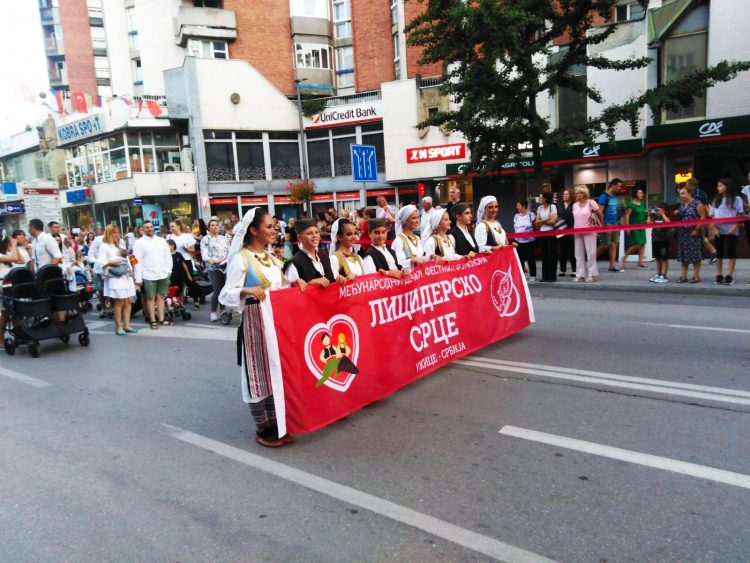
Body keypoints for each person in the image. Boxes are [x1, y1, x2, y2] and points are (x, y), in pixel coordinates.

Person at [218, 208, 304, 448]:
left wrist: (294, 283)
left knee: (276, 370)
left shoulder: (271, 257)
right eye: (268, 227)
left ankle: (278, 422)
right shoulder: (241, 259)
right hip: (255, 322)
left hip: (276, 322)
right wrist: (245, 290)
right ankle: (263, 427)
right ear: (253, 230)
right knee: (257, 374)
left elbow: (281, 285)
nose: (274, 231)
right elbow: (225, 295)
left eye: (274, 227)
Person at [96, 225, 137, 335]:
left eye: (118, 232)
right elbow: (100, 262)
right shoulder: (104, 246)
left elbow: (129, 258)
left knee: (128, 301)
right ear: (109, 234)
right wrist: (112, 263)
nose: (116, 235)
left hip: (126, 276)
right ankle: (119, 327)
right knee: (119, 302)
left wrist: (134, 270)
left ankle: (127, 325)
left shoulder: (121, 245)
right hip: (115, 277)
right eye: (114, 232)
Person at [133, 220, 173, 329]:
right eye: (147, 227)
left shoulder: (161, 241)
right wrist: (138, 277)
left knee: (160, 297)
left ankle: (161, 319)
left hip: (163, 274)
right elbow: (135, 261)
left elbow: (168, 256)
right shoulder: (139, 243)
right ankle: (152, 320)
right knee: (150, 298)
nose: (150, 229)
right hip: (148, 275)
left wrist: (169, 271)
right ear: (142, 229)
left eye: (151, 227)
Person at [709, 178, 743, 285]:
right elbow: (712, 215)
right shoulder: (716, 199)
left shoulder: (736, 199)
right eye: (718, 185)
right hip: (719, 229)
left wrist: (735, 226)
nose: (718, 188)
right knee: (719, 253)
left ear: (727, 186)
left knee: (731, 252)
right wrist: (713, 228)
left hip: (732, 229)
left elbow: (740, 214)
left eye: (720, 185)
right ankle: (719, 274)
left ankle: (729, 275)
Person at [284, 219, 339, 286]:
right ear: (299, 238)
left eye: (317, 232)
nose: (314, 236)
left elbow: (332, 283)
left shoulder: (325, 258)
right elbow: (291, 292)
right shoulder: (295, 263)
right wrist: (310, 284)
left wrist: (339, 280)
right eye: (309, 233)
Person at [675, 185, 708, 283]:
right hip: (682, 234)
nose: (681, 196)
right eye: (680, 194)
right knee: (684, 255)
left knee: (695, 255)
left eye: (683, 193)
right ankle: (683, 276)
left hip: (694, 233)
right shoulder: (682, 204)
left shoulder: (697, 203)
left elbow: (703, 217)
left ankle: (696, 276)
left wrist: (697, 230)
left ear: (690, 193)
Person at [200, 218, 230, 321]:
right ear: (209, 227)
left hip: (225, 265)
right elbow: (204, 254)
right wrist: (210, 260)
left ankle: (222, 310)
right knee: (218, 289)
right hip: (214, 267)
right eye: (212, 225)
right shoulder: (206, 239)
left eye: (216, 225)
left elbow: (229, 250)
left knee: (225, 289)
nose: (215, 227)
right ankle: (213, 311)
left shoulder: (224, 238)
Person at [572, 187, 602, 282]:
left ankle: (591, 274)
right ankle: (580, 274)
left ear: (583, 194)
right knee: (578, 253)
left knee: (591, 252)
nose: (575, 195)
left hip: (590, 230)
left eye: (577, 193)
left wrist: (602, 225)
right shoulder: (575, 205)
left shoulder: (591, 202)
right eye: (575, 193)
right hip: (577, 230)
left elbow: (600, 214)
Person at [685, 177, 717, 263]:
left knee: (699, 236)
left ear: (691, 185)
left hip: (699, 219)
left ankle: (713, 252)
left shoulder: (698, 194)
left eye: (687, 183)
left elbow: (702, 206)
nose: (686, 185)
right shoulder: (696, 192)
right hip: (696, 219)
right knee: (699, 237)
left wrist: (709, 220)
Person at [598, 178, 624, 272]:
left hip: (615, 224)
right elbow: (599, 212)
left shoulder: (615, 197)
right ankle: (591, 261)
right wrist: (603, 224)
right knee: (605, 245)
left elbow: (616, 210)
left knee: (614, 244)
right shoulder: (604, 196)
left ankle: (612, 266)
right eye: (619, 186)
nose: (620, 188)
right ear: (613, 185)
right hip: (607, 224)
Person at [621, 187, 649, 269]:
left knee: (642, 244)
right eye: (639, 193)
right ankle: (624, 258)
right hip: (634, 226)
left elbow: (645, 213)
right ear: (635, 194)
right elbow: (627, 215)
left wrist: (647, 219)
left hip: (642, 226)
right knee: (636, 244)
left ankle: (640, 262)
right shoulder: (630, 204)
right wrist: (628, 227)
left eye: (642, 193)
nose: (641, 194)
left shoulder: (642, 204)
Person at [392, 204, 426, 270]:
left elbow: (421, 257)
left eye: (418, 217)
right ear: (405, 221)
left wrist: (430, 257)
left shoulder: (417, 238)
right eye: (413, 218)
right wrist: (411, 260)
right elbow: (397, 264)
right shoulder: (399, 240)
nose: (417, 221)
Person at [534, 192, 558, 282]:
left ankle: (552, 277)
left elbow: (553, 221)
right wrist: (547, 219)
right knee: (544, 255)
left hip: (551, 233)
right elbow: (536, 223)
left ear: (545, 198)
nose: (539, 199)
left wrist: (542, 221)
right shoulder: (539, 208)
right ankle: (545, 276)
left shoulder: (553, 207)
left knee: (551, 255)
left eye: (541, 197)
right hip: (542, 233)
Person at [648, 202, 672, 283]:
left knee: (664, 258)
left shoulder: (666, 217)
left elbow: (669, 222)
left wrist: (662, 214)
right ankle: (658, 274)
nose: (657, 211)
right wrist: (649, 215)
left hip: (663, 240)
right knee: (657, 258)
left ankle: (664, 275)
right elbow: (648, 224)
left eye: (658, 209)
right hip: (655, 240)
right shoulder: (654, 217)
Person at [512, 200, 536, 281]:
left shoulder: (531, 215)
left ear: (524, 206)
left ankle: (533, 275)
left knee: (530, 258)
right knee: (520, 258)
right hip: (518, 240)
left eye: (518, 205)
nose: (517, 207)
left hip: (529, 240)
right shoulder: (516, 216)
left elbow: (534, 225)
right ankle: (522, 276)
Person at [556, 188, 577, 277]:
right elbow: (557, 217)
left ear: (571, 195)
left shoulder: (575, 205)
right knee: (562, 251)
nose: (564, 196)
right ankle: (562, 270)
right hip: (561, 230)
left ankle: (574, 270)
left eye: (566, 194)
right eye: (564, 194)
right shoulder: (559, 205)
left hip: (572, 229)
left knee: (572, 251)